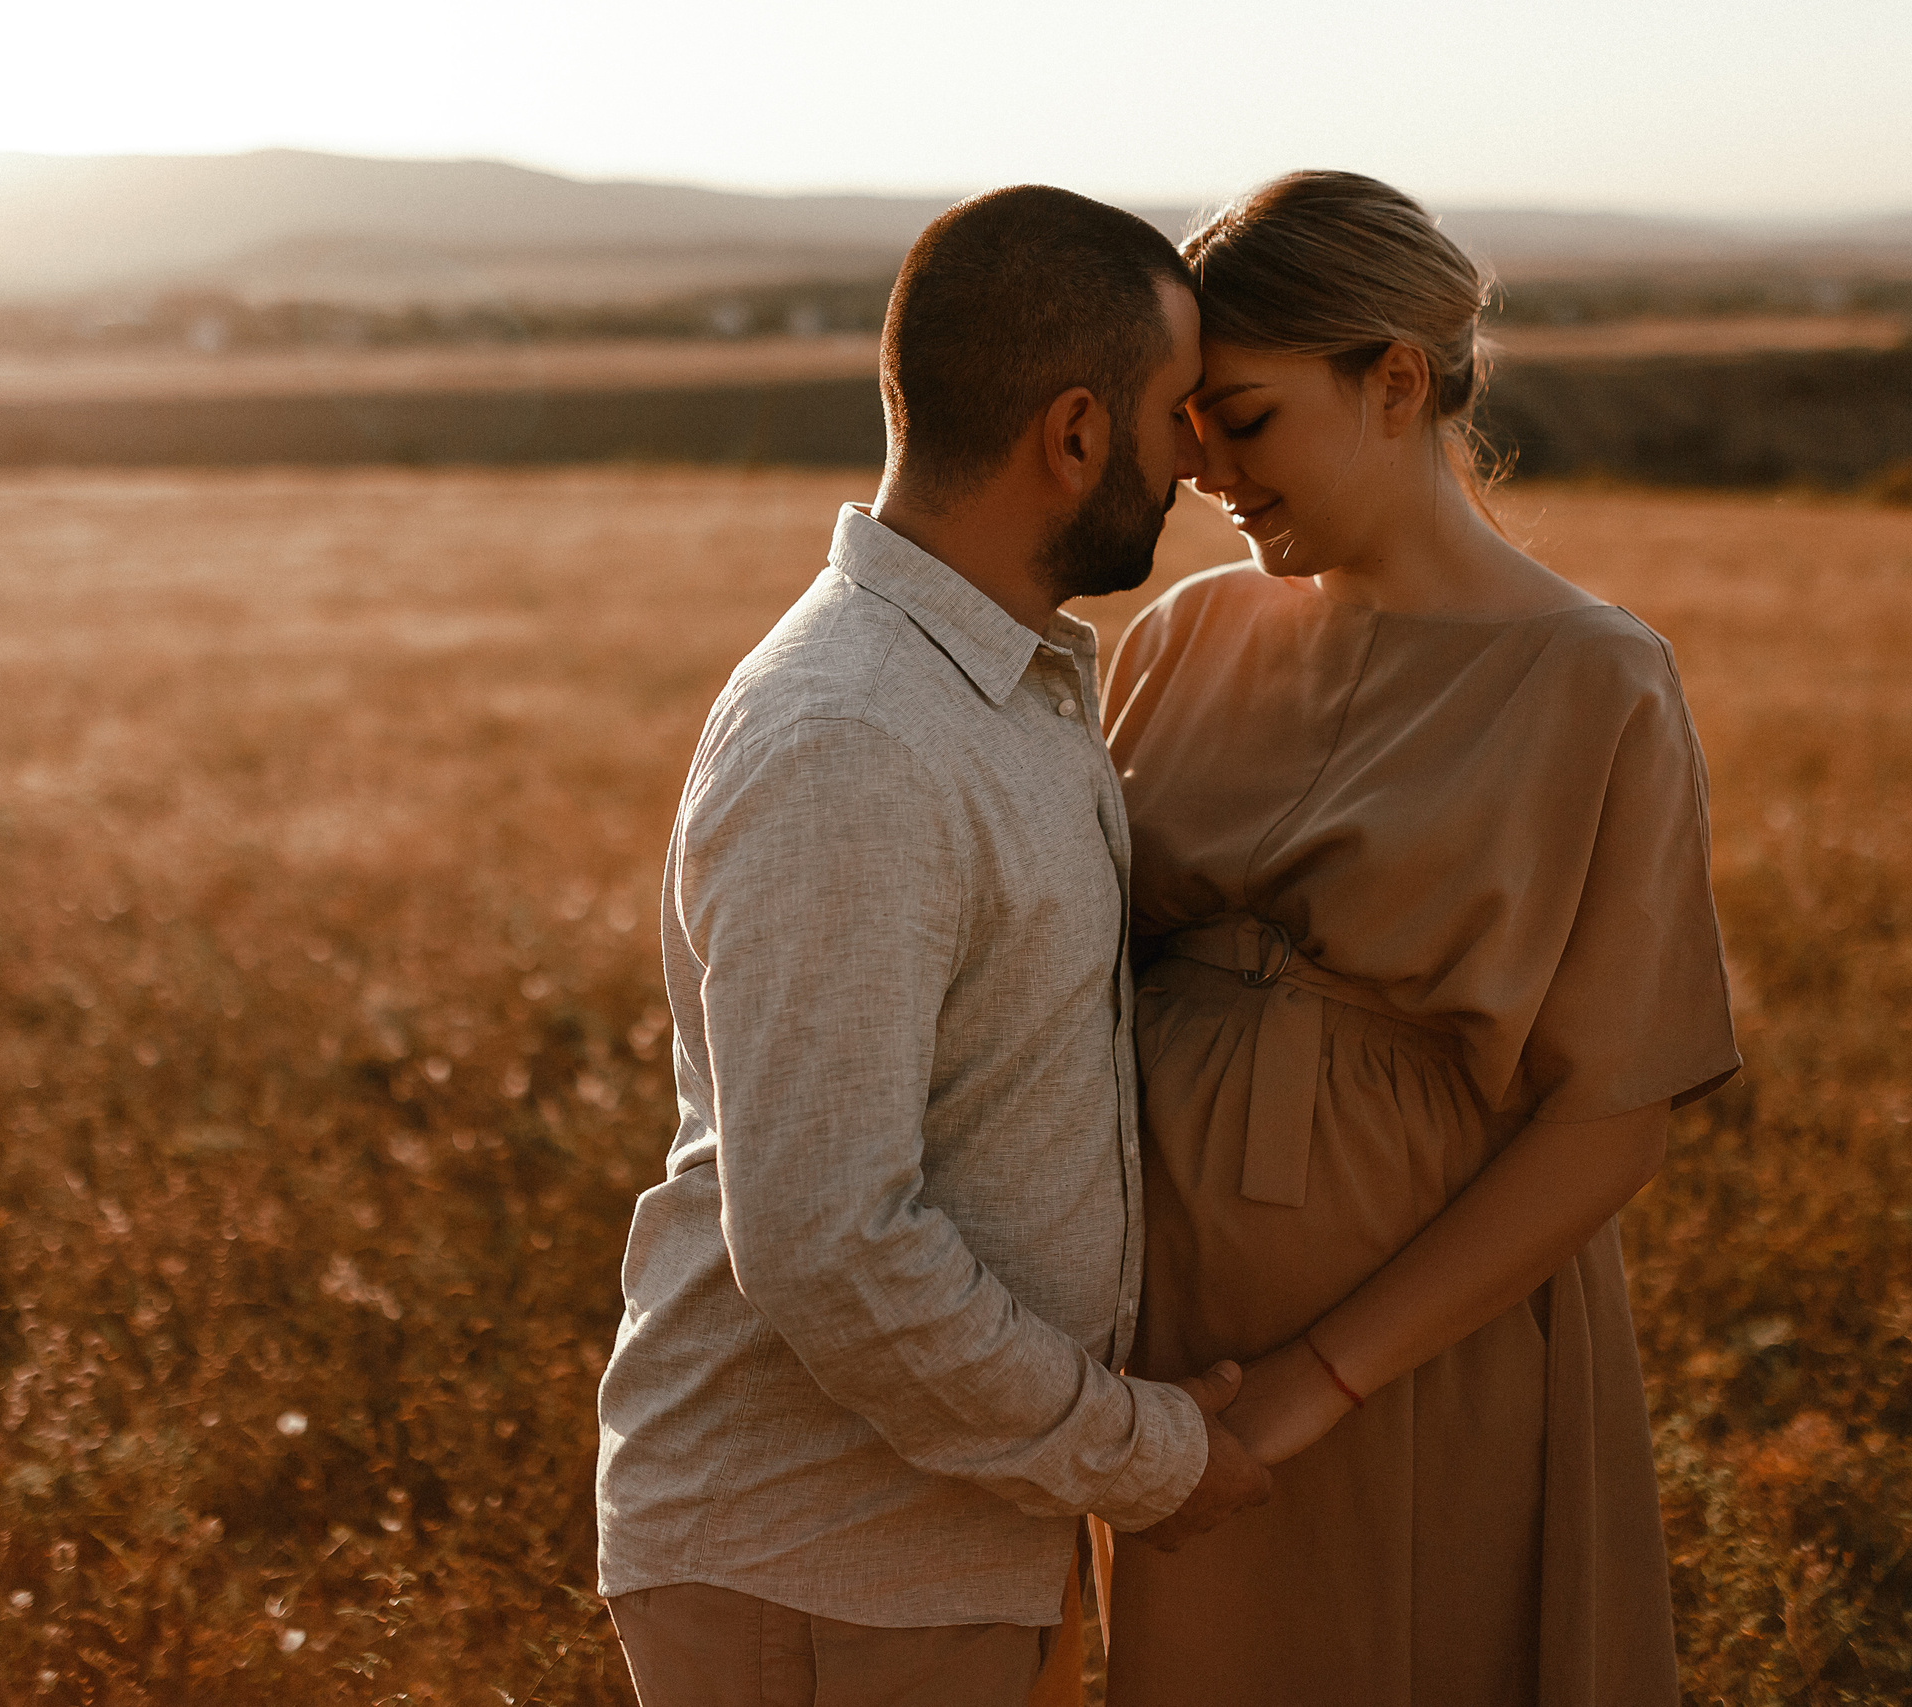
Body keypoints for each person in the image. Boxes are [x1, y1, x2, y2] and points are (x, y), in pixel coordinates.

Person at [594, 184, 1273, 1707]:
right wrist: (1144, 1453)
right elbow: (832, 1239)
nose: (1195, 460)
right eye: (1175, 416)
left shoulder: (992, 688)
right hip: (822, 1568)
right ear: (1077, 433)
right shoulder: (854, 737)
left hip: (946, 1551)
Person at [1098, 170, 1742, 1705]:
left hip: (1419, 1365)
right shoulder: (1186, 639)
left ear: (1394, 382)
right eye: (1187, 425)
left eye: (1242, 419)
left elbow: (1610, 1120)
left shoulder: (1597, 680)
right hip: (1164, 1363)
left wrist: (1316, 1387)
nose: (1203, 472)